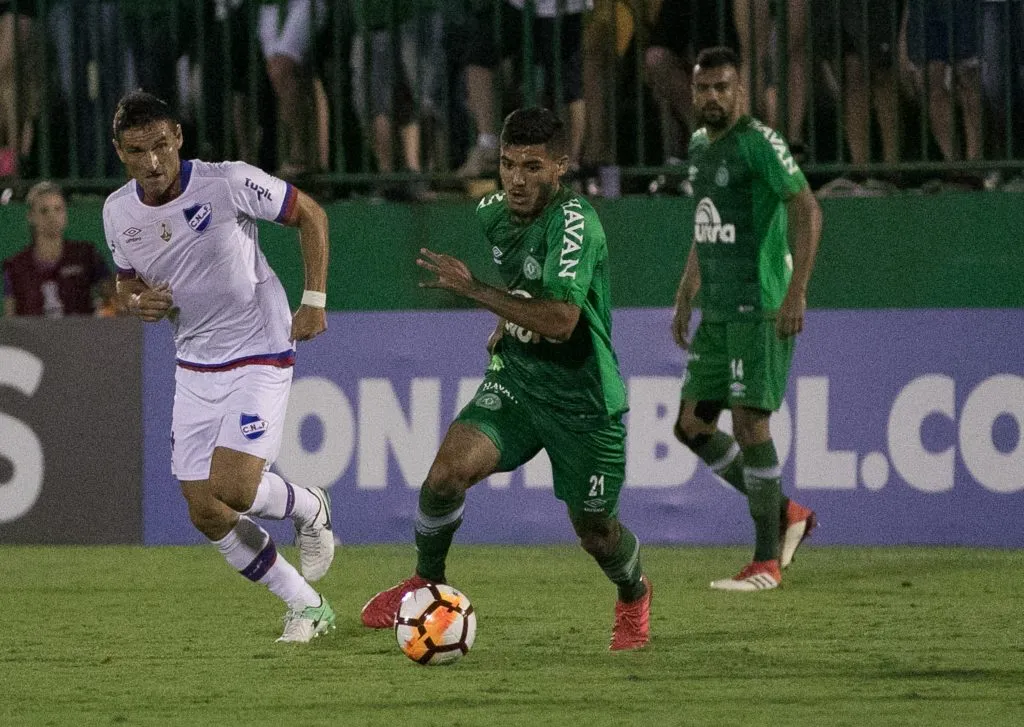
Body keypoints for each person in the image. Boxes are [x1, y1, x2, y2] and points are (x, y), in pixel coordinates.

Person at [361, 107, 652, 650]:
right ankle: (426, 581)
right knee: (445, 475)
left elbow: (564, 321)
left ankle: (634, 594)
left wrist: (477, 292)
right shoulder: (492, 213)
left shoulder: (575, 223)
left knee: (597, 533)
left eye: (533, 167)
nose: (516, 179)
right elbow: (527, 283)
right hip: (518, 383)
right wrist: (507, 314)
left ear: (560, 167)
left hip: (583, 402)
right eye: (507, 164)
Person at [101, 91, 336, 642]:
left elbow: (311, 214)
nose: (154, 162)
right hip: (195, 362)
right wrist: (139, 304)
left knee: (233, 486)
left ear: (179, 137)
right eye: (139, 151)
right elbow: (127, 282)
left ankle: (308, 504)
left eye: (162, 145)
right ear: (120, 153)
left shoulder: (226, 182)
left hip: (261, 345)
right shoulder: (117, 211)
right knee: (205, 511)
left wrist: (315, 300)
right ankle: (307, 606)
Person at [671, 47, 821, 592]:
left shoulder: (759, 143)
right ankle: (787, 514)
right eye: (703, 87)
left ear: (741, 90)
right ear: (692, 92)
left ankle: (765, 562)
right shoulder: (698, 147)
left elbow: (807, 208)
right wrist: (688, 288)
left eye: (722, 87)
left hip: (760, 306)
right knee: (691, 425)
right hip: (717, 310)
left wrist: (796, 294)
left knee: (750, 424)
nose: (712, 97)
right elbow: (706, 223)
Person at [3, 181, 114, 317]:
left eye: (58, 209)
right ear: (31, 216)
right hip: (34, 337)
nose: (52, 216)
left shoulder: (86, 254)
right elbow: (10, 319)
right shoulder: (16, 266)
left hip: (81, 335)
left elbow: (113, 298)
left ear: (65, 214)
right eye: (44, 210)